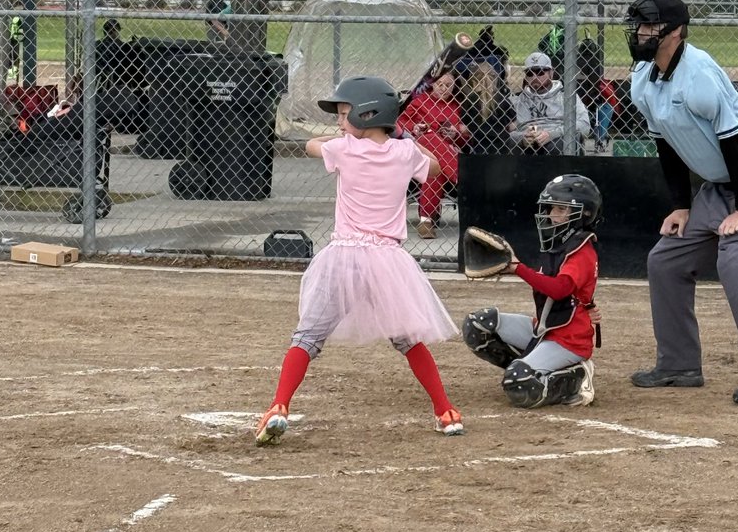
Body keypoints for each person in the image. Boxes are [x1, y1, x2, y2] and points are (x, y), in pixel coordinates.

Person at [255, 75, 463, 446]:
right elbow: (433, 168)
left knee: (307, 336)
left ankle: (279, 407)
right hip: (387, 262)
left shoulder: (346, 149)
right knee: (408, 340)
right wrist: (404, 139)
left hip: (346, 256)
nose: (339, 121)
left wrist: (355, 138)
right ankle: (445, 412)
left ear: (368, 115)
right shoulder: (404, 153)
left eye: (345, 113)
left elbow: (309, 145)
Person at [626, 0, 738, 406]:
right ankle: (679, 364)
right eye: (638, 24)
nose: (641, 32)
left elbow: (733, 140)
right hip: (718, 188)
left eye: (650, 25)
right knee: (665, 260)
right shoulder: (643, 77)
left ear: (676, 32)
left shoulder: (698, 72)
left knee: (734, 261)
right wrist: (681, 205)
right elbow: (665, 144)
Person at [461, 174, 601, 409]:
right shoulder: (559, 245)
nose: (550, 215)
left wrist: (518, 268)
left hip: (569, 342)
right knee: (478, 324)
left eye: (559, 209)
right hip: (543, 330)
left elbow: (560, 290)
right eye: (550, 209)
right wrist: (510, 269)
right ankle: (532, 366)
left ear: (583, 213)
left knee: (519, 384)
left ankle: (575, 376)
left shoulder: (582, 251)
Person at [396, 71, 469, 239]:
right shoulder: (420, 101)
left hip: (444, 153)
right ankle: (464, 180)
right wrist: (415, 128)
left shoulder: (458, 105)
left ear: (454, 86)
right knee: (429, 136)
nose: (443, 88)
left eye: (448, 85)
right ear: (432, 84)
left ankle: (426, 220)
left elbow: (467, 138)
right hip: (419, 147)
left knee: (434, 166)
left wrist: (455, 134)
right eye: (440, 84)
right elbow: (400, 124)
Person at [510, 51, 590, 154]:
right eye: (530, 73)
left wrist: (551, 134)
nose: (534, 77)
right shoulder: (517, 100)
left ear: (551, 73)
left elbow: (585, 125)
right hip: (526, 145)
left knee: (559, 144)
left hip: (558, 140)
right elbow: (502, 133)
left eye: (540, 72)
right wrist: (521, 138)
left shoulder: (567, 96)